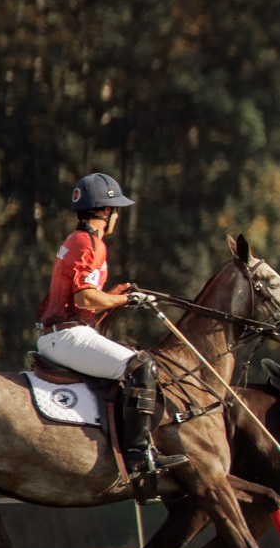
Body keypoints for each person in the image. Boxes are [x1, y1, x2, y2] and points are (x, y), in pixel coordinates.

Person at [34, 172, 184, 483]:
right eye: (117, 209)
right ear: (106, 211)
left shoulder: (78, 240)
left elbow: (84, 302)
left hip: (63, 332)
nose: (117, 216)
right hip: (66, 336)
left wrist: (114, 296)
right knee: (141, 367)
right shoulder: (90, 243)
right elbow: (86, 295)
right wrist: (126, 301)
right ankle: (139, 455)